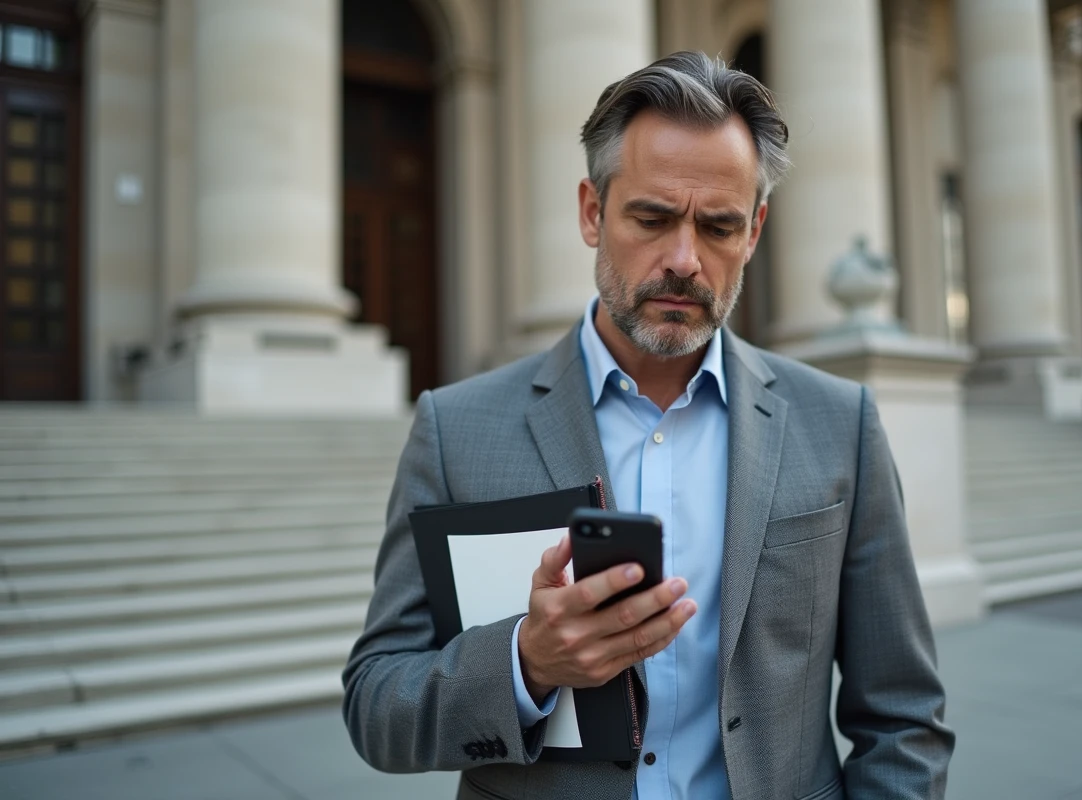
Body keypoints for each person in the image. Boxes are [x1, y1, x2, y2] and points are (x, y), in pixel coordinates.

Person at [343, 50, 954, 800]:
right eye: (653, 218)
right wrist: (526, 663)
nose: (685, 260)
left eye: (719, 226)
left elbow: (903, 716)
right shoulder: (456, 429)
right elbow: (376, 705)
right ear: (592, 212)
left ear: (755, 231)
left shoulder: (840, 423)